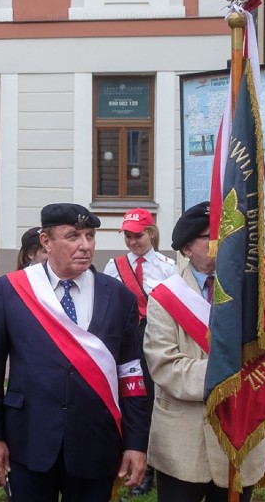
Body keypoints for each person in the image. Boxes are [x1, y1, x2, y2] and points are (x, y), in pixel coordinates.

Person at [0, 203, 149, 501]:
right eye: (72, 236)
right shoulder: (11, 290)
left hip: (96, 442)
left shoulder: (119, 296)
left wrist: (136, 443)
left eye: (90, 236)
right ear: (46, 241)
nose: (85, 246)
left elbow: (132, 375)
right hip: (29, 438)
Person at [143, 202, 265, 501]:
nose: (221, 243)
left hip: (240, 437)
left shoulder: (254, 293)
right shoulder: (164, 298)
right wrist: (229, 373)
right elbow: (165, 365)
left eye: (225, 235)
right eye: (210, 236)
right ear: (187, 249)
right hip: (183, 444)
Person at [102, 207, 177, 495]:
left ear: (151, 233)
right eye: (128, 236)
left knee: (151, 401)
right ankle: (126, 460)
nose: (133, 242)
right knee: (126, 398)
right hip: (125, 340)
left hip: (156, 339)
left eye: (139, 235)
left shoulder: (167, 266)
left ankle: (151, 467)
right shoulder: (114, 265)